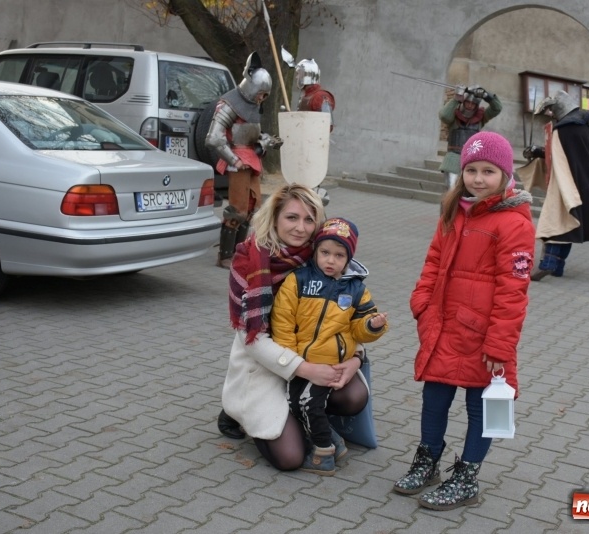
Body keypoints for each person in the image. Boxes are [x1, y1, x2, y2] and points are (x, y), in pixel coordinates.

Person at [393, 131, 535, 511]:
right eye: (471, 170)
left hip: (485, 338)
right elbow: (433, 262)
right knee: (434, 400)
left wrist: (500, 344)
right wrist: (422, 304)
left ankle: (467, 477)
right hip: (445, 328)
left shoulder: (514, 223)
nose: (478, 178)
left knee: (480, 408)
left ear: (505, 174)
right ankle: (427, 461)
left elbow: (513, 291)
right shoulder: (455, 210)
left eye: (488, 171)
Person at [218, 184, 371, 472]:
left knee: (353, 396)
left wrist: (355, 358)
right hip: (265, 363)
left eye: (309, 220)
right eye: (291, 217)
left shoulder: (324, 256)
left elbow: (348, 317)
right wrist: (305, 369)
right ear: (275, 217)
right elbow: (251, 340)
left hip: (313, 353)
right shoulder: (249, 259)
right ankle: (236, 411)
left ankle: (302, 414)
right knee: (290, 458)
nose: (301, 228)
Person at [272, 217, 389, 475]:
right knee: (294, 403)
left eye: (339, 255)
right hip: (300, 362)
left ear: (348, 259)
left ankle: (323, 454)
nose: (330, 260)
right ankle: (334, 441)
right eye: (325, 252)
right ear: (315, 250)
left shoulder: (356, 289)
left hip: (331, 364)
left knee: (308, 403)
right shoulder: (299, 280)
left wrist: (372, 326)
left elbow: (358, 328)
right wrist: (292, 359)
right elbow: (283, 321)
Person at [522, 90, 589, 280]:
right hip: (579, 180)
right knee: (568, 225)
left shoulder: (563, 130)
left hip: (565, 183)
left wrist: (538, 152)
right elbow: (566, 155)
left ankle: (548, 264)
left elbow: (559, 158)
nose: (552, 115)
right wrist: (539, 152)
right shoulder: (582, 126)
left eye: (553, 111)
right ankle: (558, 267)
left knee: (556, 223)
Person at [206, 52, 282, 269]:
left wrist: (267, 141)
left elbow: (251, 135)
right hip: (237, 161)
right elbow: (214, 138)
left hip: (251, 159)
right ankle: (225, 255)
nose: (261, 98)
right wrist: (234, 160)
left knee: (251, 209)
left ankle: (239, 253)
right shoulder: (229, 104)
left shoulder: (253, 106)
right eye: (260, 93)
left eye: (265, 95)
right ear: (251, 87)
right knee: (237, 210)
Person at [438, 85, 502, 189]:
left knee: (468, 191)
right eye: (468, 102)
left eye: (473, 104)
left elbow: (497, 108)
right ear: (463, 102)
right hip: (453, 158)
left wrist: (486, 96)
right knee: (451, 189)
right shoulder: (453, 116)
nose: (470, 106)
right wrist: (457, 98)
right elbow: (444, 115)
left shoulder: (481, 118)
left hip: (472, 158)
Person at [295, 58, 336, 131]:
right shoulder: (306, 96)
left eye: (299, 74)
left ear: (307, 75)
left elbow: (326, 126)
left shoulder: (321, 96)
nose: (297, 77)